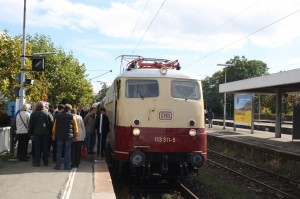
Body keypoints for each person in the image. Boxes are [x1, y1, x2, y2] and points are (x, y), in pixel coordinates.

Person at [52, 104, 78, 170]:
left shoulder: (57, 116)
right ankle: (66, 166)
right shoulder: (72, 116)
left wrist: (54, 135)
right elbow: (75, 127)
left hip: (59, 136)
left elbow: (54, 127)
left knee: (59, 151)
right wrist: (75, 136)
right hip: (68, 137)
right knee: (67, 151)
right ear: (69, 109)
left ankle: (58, 166)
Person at [28, 101, 54, 167]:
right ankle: (45, 162)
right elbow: (52, 123)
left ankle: (37, 162)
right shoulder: (48, 113)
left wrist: (30, 134)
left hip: (36, 134)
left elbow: (30, 125)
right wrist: (51, 132)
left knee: (37, 148)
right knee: (45, 148)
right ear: (43, 107)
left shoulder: (33, 114)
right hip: (46, 133)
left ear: (37, 107)